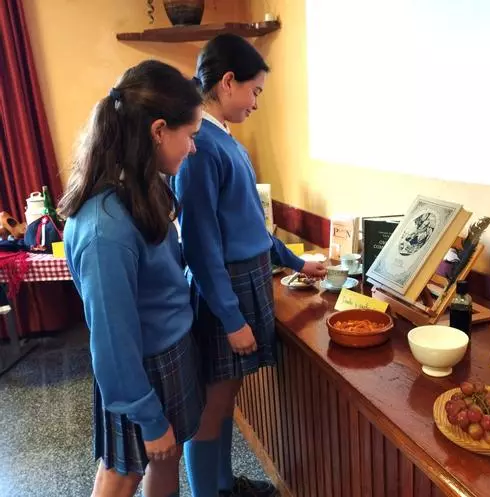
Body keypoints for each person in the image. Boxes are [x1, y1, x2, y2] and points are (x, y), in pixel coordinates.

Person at [172, 34, 327, 497]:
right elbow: (200, 247)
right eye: (255, 90)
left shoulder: (223, 139)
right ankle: (208, 492)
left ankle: (222, 485)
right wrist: (232, 317)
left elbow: (249, 228)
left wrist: (297, 260)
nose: (257, 102)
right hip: (227, 291)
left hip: (245, 280)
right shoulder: (200, 147)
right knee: (212, 409)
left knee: (229, 396)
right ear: (227, 82)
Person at [59, 60, 204, 497]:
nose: (192, 149)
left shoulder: (142, 189)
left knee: (168, 455)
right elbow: (112, 343)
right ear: (159, 130)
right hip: (140, 371)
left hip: (167, 351)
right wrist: (148, 415)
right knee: (121, 475)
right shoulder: (107, 228)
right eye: (190, 136)